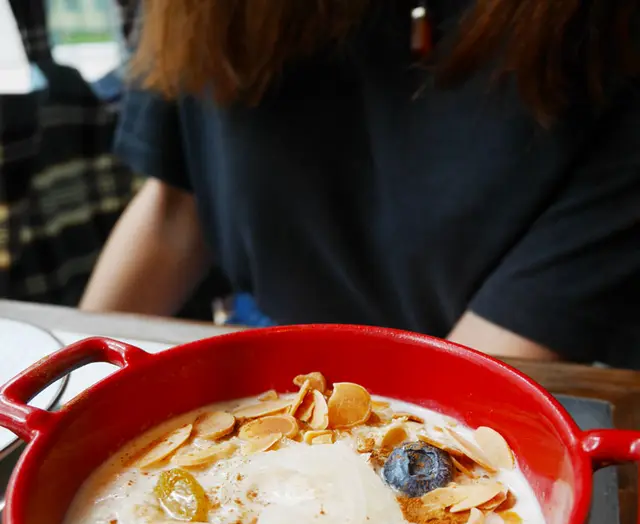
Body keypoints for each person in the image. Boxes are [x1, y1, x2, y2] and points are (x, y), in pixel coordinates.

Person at [80, 0, 640, 367]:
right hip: (253, 354)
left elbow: (515, 330)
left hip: (489, 380)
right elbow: (176, 209)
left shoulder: (603, 34)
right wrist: (71, 393)